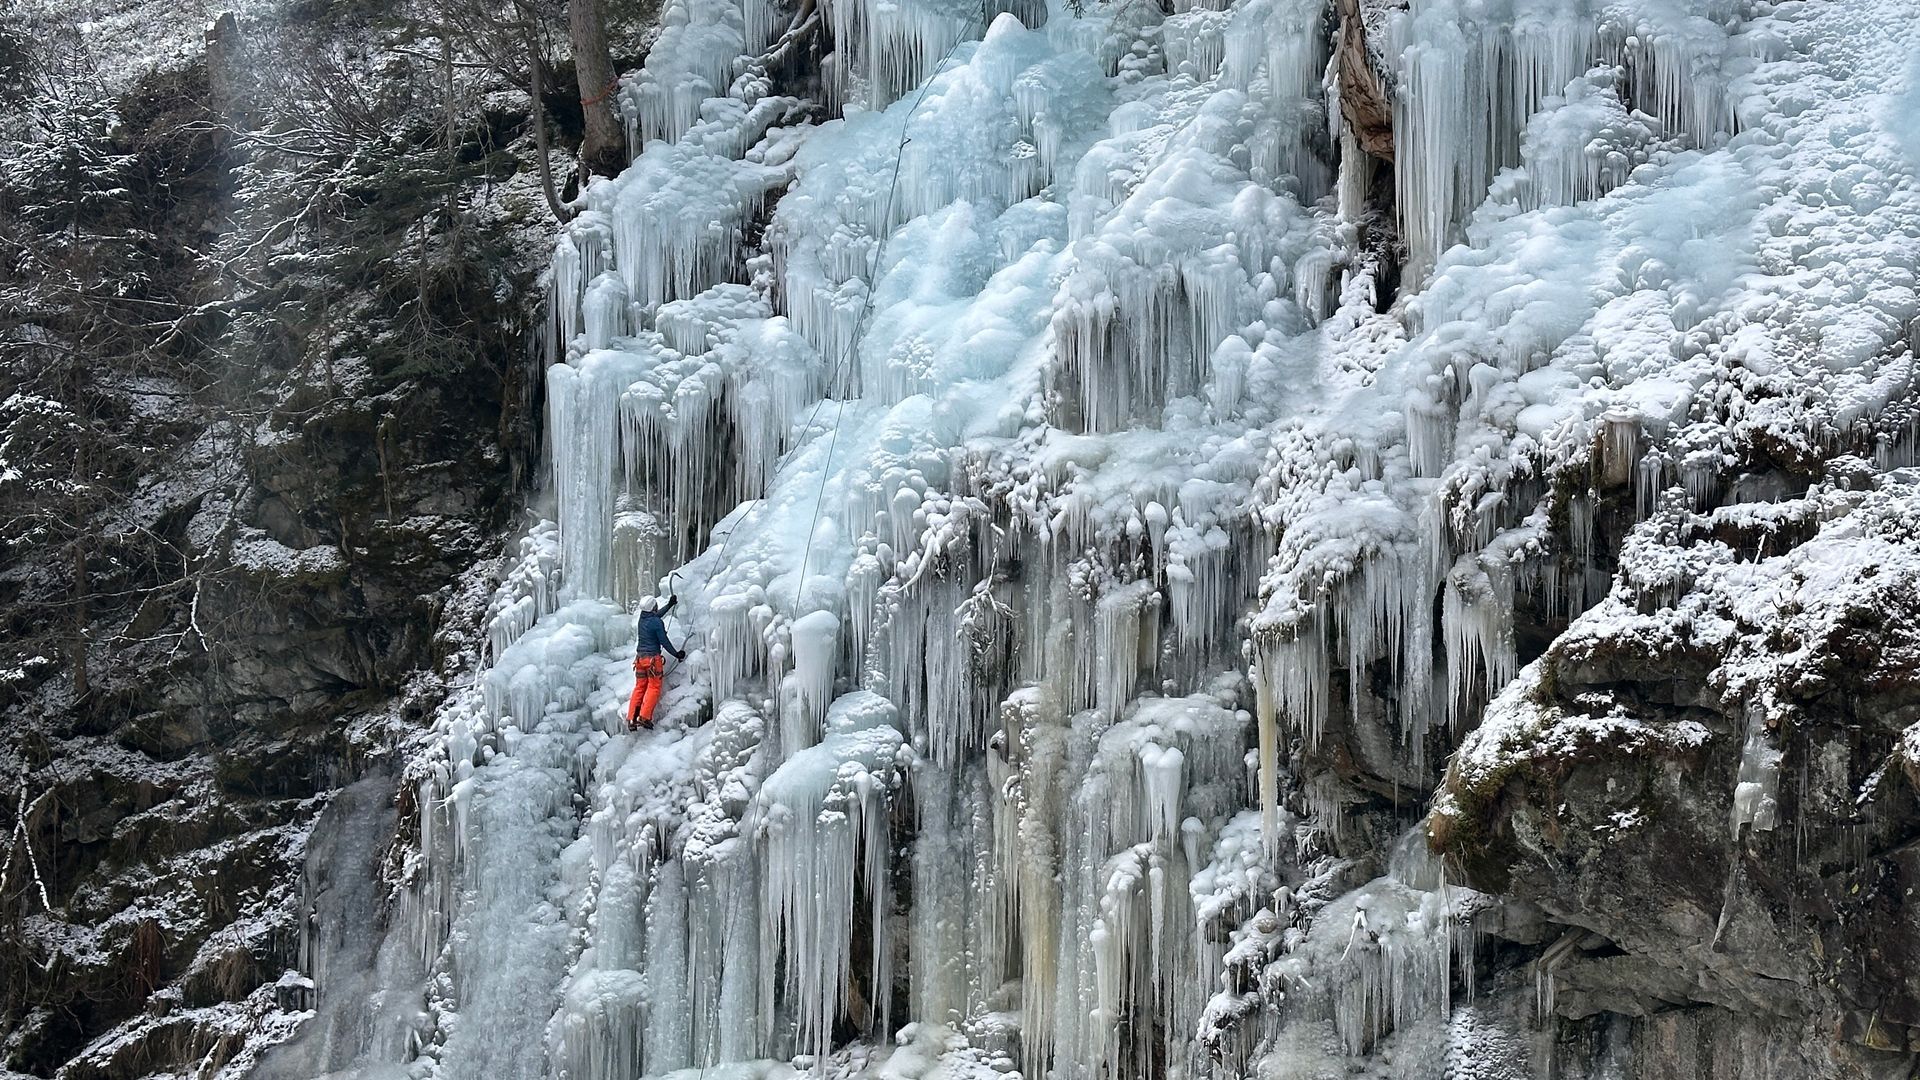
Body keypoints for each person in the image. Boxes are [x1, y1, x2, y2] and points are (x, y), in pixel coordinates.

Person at [626, 594, 687, 730]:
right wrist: (676, 654)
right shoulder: (656, 623)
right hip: (653, 660)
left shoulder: (643, 617)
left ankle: (632, 719)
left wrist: (669, 605)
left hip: (640, 659)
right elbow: (664, 641)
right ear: (653, 607)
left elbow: (656, 615)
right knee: (653, 687)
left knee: (640, 687)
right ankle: (644, 717)